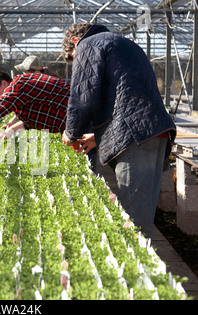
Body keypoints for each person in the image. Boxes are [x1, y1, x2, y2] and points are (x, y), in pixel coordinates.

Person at [61, 22, 176, 238]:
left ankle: (136, 270)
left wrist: (70, 133)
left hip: (136, 137)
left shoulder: (88, 45)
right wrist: (99, 136)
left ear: (75, 41)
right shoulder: (120, 43)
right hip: (153, 130)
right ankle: (142, 264)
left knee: (133, 218)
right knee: (143, 211)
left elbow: (83, 96)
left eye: (73, 56)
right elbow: (125, 96)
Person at [0, 70, 98, 172]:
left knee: (91, 170)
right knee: (88, 166)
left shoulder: (18, 87)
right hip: (76, 126)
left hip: (84, 121)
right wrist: (11, 129)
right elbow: (31, 120)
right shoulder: (21, 95)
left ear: (4, 84)